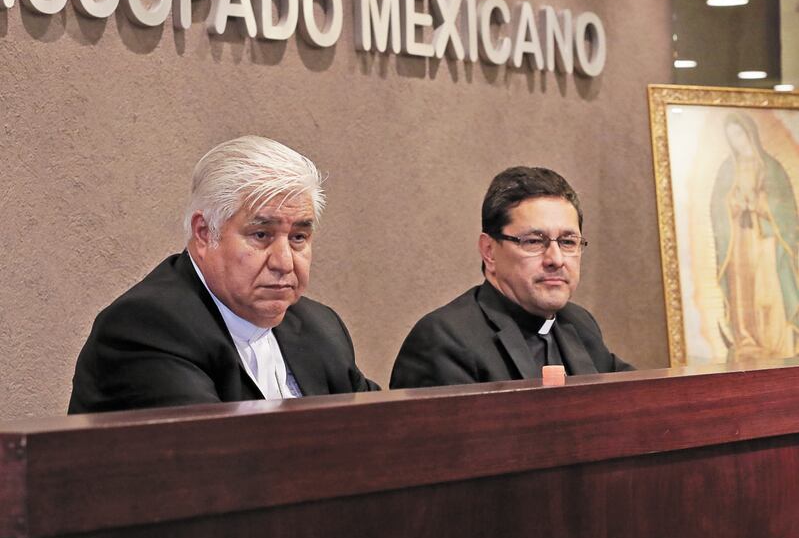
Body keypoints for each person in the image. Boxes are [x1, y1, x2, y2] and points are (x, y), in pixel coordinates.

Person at [69, 136, 378, 413]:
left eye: (298, 238)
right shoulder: (147, 327)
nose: (284, 262)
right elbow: (217, 461)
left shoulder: (319, 327)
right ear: (204, 233)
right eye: (261, 235)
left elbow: (384, 433)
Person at [390, 166, 632, 389]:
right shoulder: (443, 340)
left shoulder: (579, 323)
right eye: (534, 241)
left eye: (568, 242)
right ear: (489, 251)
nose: (556, 259)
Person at [710, 112, 799, 361]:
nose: (736, 141)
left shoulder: (771, 167)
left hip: (767, 240)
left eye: (739, 134)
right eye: (731, 137)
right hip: (739, 240)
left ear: (749, 133)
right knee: (742, 289)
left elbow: (785, 209)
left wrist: (760, 204)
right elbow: (718, 206)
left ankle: (775, 342)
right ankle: (747, 340)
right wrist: (735, 204)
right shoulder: (727, 169)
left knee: (768, 290)